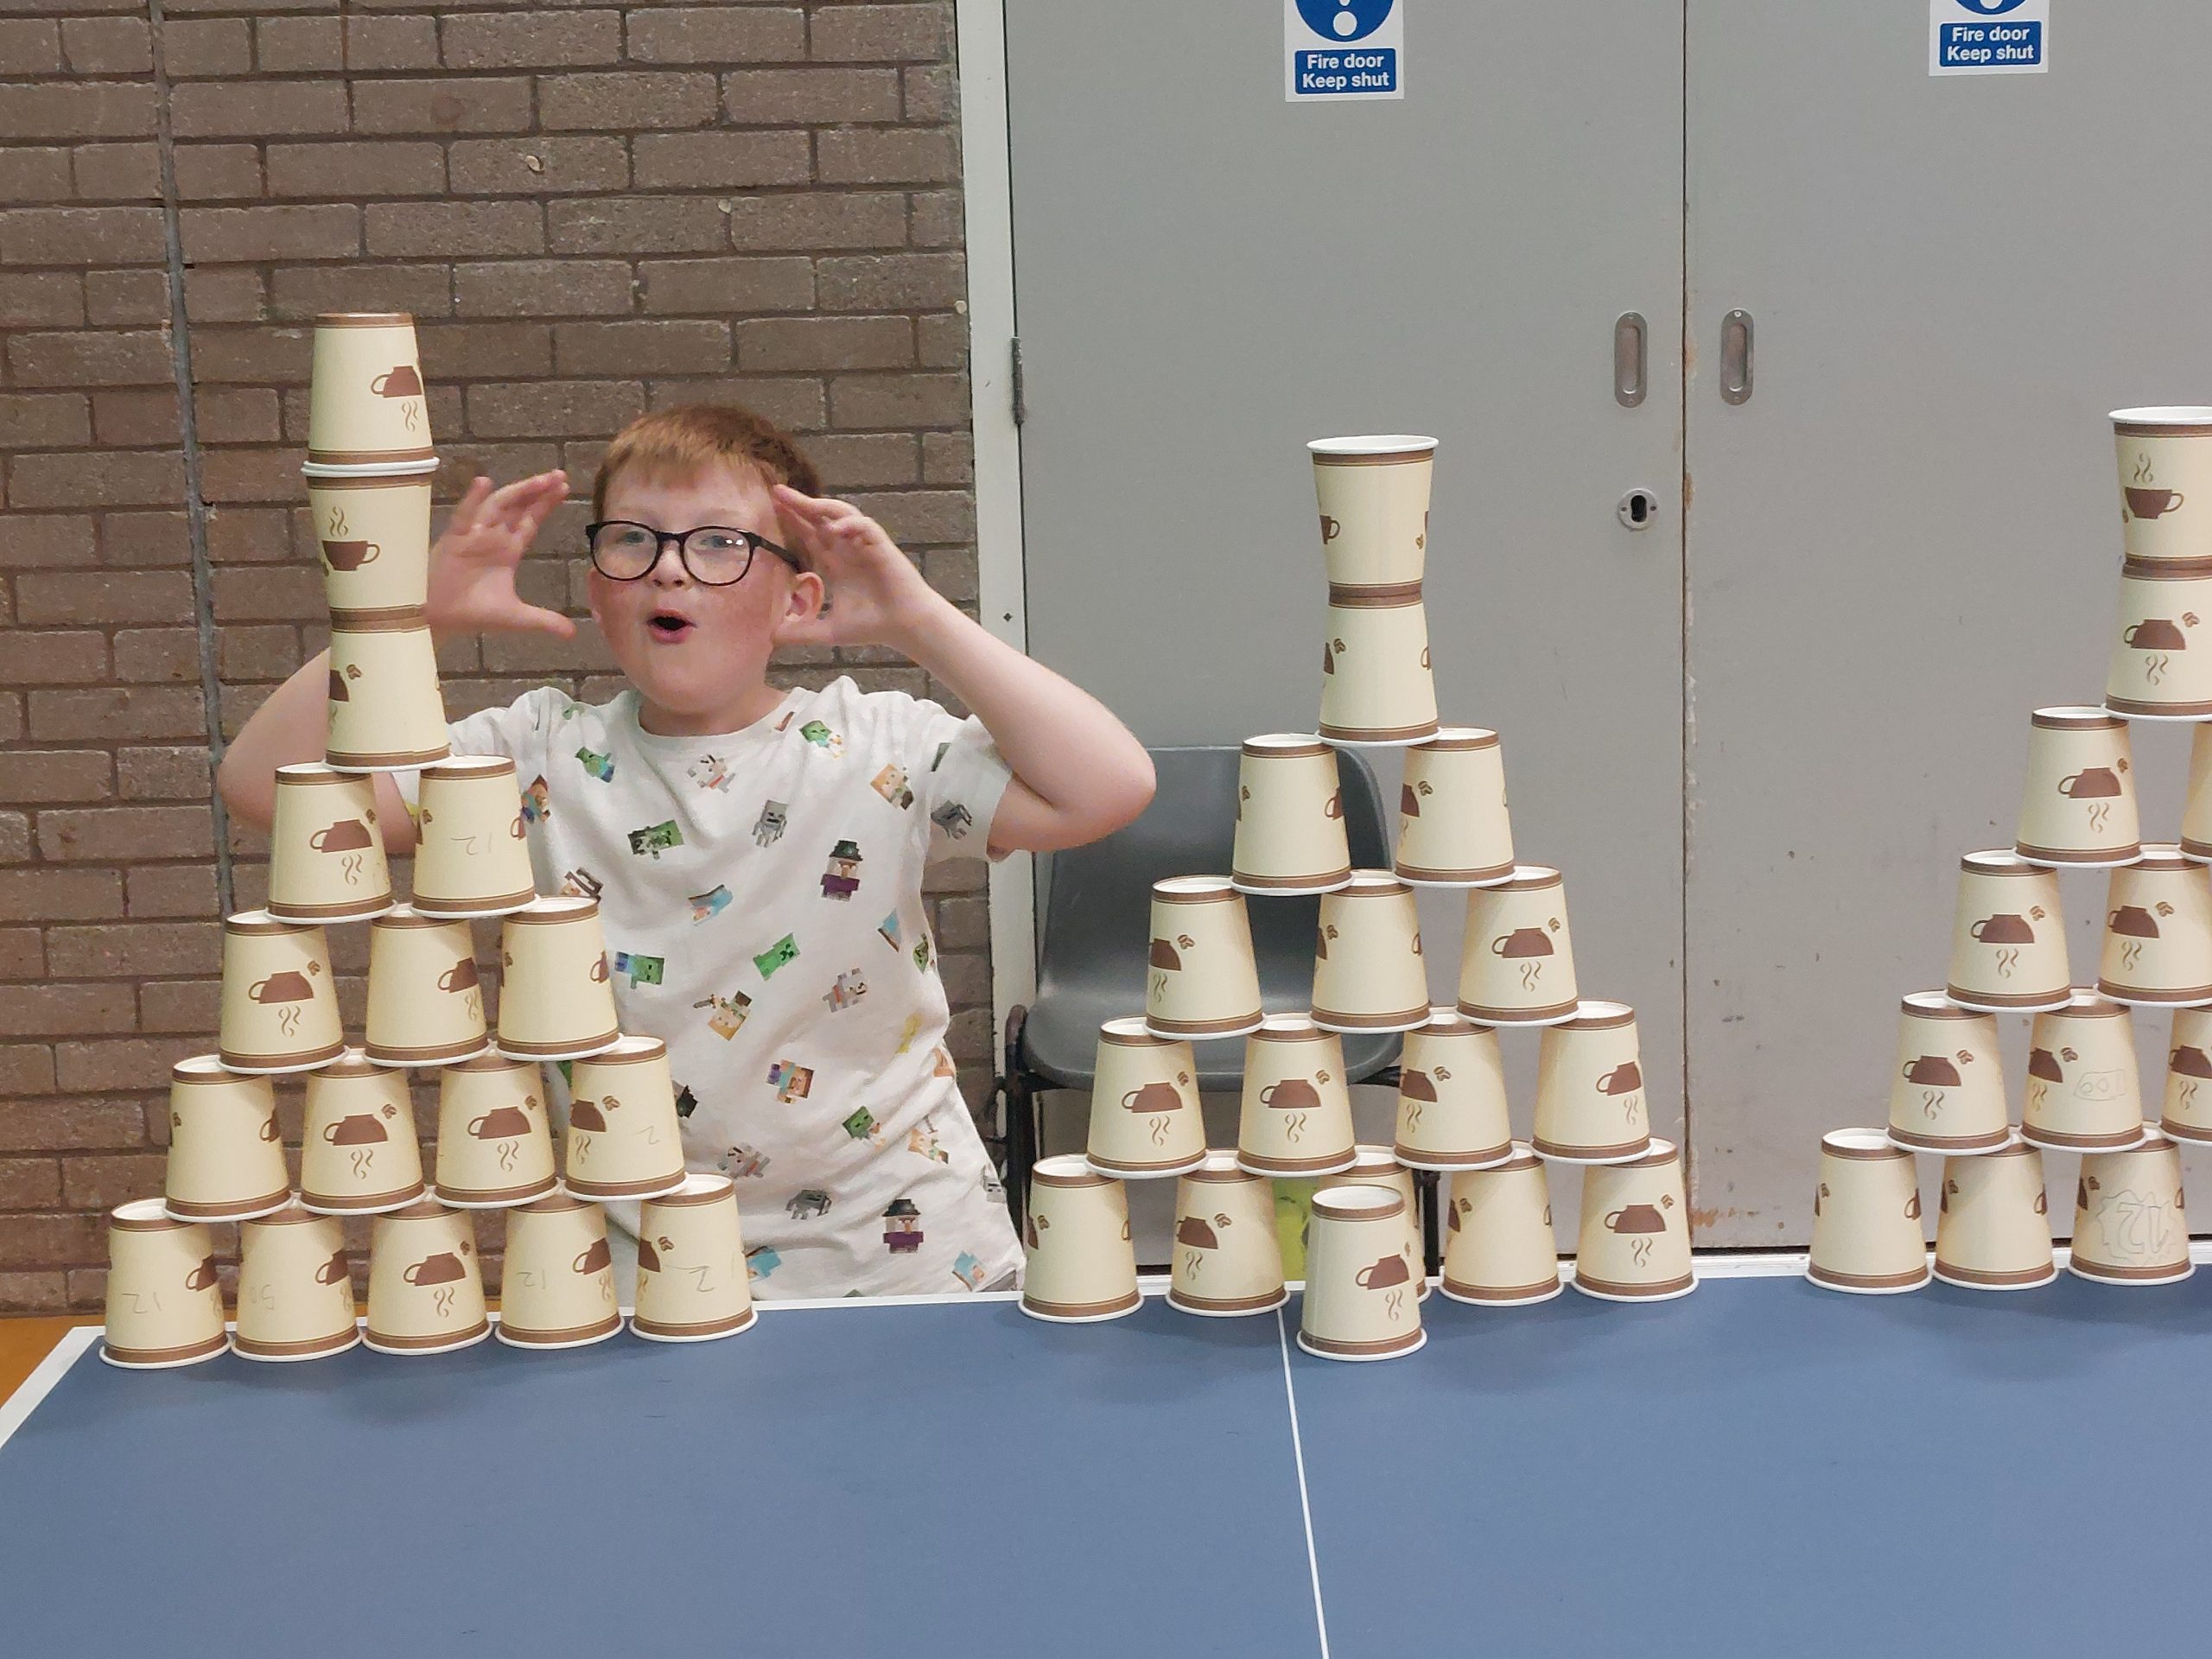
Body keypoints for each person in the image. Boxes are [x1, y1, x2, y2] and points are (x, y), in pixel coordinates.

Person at [219, 403, 1156, 1298]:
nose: (670, 569)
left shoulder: (879, 746)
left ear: (798, 598)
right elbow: (268, 787)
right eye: (634, 538)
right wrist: (401, 618)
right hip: (649, 1277)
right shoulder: (531, 757)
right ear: (597, 590)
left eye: (719, 542)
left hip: (913, 1255)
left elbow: (1107, 786)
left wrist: (919, 620)